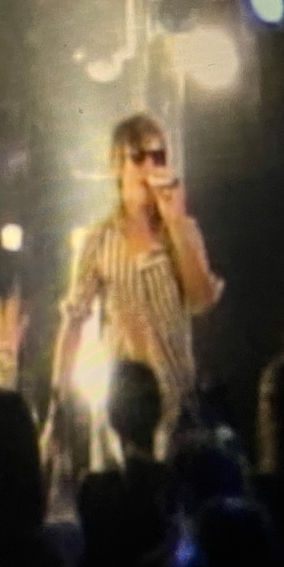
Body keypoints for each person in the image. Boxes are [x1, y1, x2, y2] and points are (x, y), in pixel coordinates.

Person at [47, 113, 223, 464]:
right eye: (139, 157)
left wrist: (175, 222)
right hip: (126, 407)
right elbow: (74, 321)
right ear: (118, 165)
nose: (149, 167)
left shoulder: (182, 231)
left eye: (158, 157)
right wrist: (58, 400)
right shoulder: (99, 240)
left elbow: (202, 300)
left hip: (179, 403)